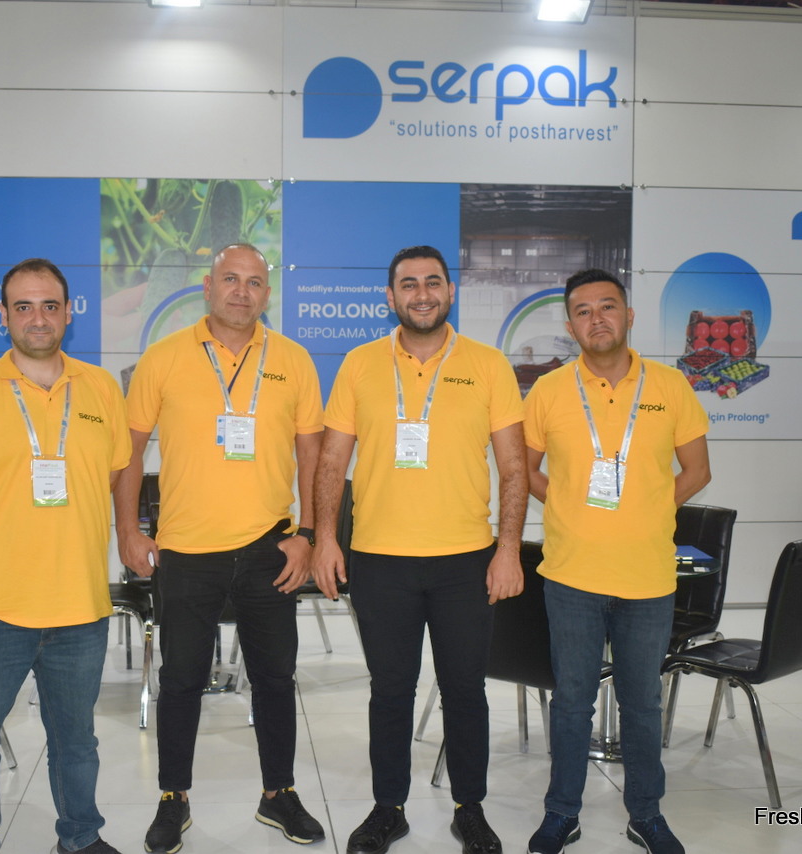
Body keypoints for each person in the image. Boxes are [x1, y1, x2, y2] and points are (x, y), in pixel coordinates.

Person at [311, 245, 528, 854]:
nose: (422, 293)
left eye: (433, 282)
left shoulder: (488, 365)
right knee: (390, 691)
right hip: (380, 560)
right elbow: (331, 461)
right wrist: (326, 538)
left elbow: (514, 468)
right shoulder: (359, 364)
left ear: (450, 292)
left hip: (466, 560)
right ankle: (389, 808)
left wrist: (508, 548)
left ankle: (470, 808)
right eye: (409, 284)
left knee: (466, 691)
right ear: (391, 297)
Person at [114, 243, 326, 853]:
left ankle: (278, 793)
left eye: (254, 282)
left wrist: (308, 535)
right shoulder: (164, 358)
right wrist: (128, 531)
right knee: (181, 679)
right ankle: (172, 797)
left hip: (269, 550)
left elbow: (313, 458)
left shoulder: (293, 360)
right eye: (230, 279)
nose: (241, 291)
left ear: (267, 294)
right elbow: (128, 452)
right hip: (186, 552)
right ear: (207, 287)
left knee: (276, 678)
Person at [0, 258, 130, 854]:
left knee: (77, 739)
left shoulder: (100, 389)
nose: (39, 318)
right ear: (4, 315)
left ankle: (81, 838)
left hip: (79, 605)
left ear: (69, 313)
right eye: (24, 306)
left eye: (50, 305)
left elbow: (114, 472)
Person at [522, 269, 710, 854]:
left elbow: (698, 470)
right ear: (570, 326)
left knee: (643, 704)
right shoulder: (549, 390)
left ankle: (646, 815)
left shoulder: (670, 385)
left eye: (607, 306)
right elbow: (522, 469)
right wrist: (567, 503)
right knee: (572, 702)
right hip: (572, 575)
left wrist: (650, 508)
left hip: (647, 577)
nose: (596, 318)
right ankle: (562, 813)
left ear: (628, 316)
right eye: (582, 311)